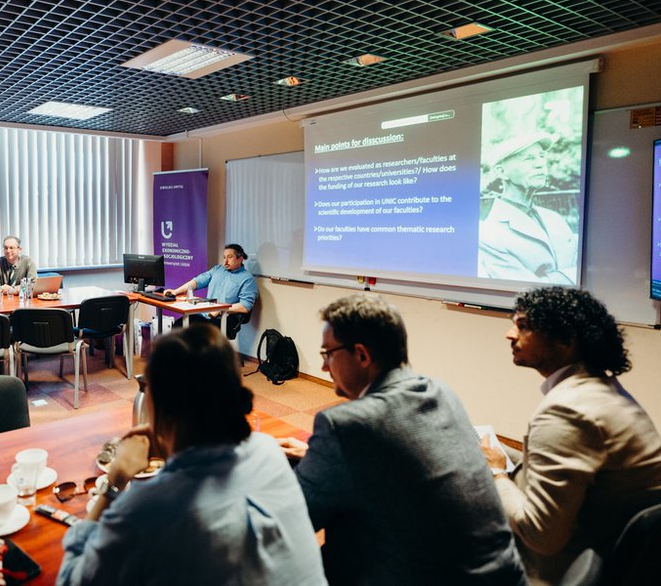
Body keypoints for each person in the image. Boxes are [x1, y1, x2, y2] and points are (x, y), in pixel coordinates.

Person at [279, 294, 526, 585]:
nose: (324, 367)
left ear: (361, 355)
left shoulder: (345, 424)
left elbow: (292, 520)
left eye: (328, 354)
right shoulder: (440, 392)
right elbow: (404, 462)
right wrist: (318, 456)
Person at [57, 323, 326, 586]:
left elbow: (71, 579)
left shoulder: (146, 508)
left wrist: (113, 484)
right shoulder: (268, 451)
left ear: (157, 404)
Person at [481, 287, 661, 585]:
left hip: (558, 569)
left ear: (565, 339)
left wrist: (497, 472)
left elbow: (541, 536)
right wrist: (506, 457)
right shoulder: (603, 389)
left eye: (523, 325)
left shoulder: (567, 411)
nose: (509, 334)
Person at [478, 133, 578, 283]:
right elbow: (525, 291)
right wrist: (571, 276)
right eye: (529, 158)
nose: (540, 163)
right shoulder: (489, 234)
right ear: (501, 172)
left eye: (541, 156)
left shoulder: (555, 218)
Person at [163, 244, 257, 336]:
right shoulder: (217, 270)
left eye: (230, 257)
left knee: (197, 334)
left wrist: (220, 310)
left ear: (240, 259)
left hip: (224, 318)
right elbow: (197, 282)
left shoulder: (247, 279)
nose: (225, 262)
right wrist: (175, 291)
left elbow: (245, 306)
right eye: (224, 257)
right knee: (178, 326)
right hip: (205, 315)